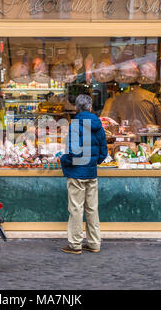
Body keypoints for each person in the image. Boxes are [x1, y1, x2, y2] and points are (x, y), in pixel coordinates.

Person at [60, 94, 108, 254]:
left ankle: (75, 244)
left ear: (76, 108)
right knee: (92, 208)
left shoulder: (75, 125)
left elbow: (72, 153)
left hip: (76, 174)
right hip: (91, 172)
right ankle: (94, 243)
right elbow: (103, 152)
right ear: (90, 107)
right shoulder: (98, 126)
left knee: (76, 209)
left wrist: (63, 160)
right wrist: (94, 162)